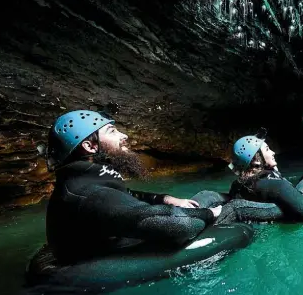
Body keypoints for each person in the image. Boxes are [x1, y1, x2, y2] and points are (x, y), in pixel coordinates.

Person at [42, 110, 228, 264]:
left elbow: (128, 195)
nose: (124, 135)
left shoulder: (86, 179)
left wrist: (165, 199)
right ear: (90, 146)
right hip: (100, 258)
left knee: (206, 194)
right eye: (112, 131)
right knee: (219, 210)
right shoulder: (89, 194)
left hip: (121, 230)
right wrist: (211, 214)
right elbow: (177, 225)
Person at [226, 128, 303, 224]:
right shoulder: (277, 186)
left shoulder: (237, 185)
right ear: (257, 160)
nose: (273, 152)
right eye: (267, 149)